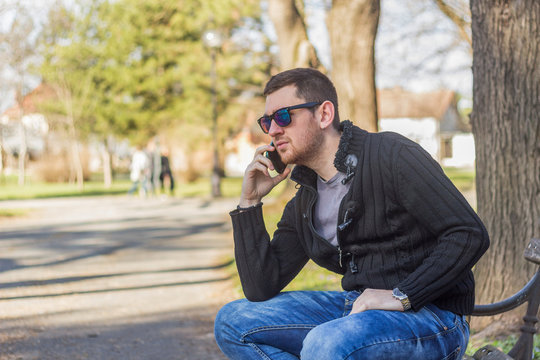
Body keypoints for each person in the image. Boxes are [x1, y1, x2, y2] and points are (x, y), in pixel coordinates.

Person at [214, 68, 490, 360]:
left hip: (433, 318)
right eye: (266, 121)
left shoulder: (391, 154)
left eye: (283, 117)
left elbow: (468, 233)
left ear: (324, 114)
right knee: (233, 321)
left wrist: (401, 295)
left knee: (326, 343)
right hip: (359, 310)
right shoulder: (305, 199)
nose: (272, 130)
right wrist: (250, 202)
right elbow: (260, 286)